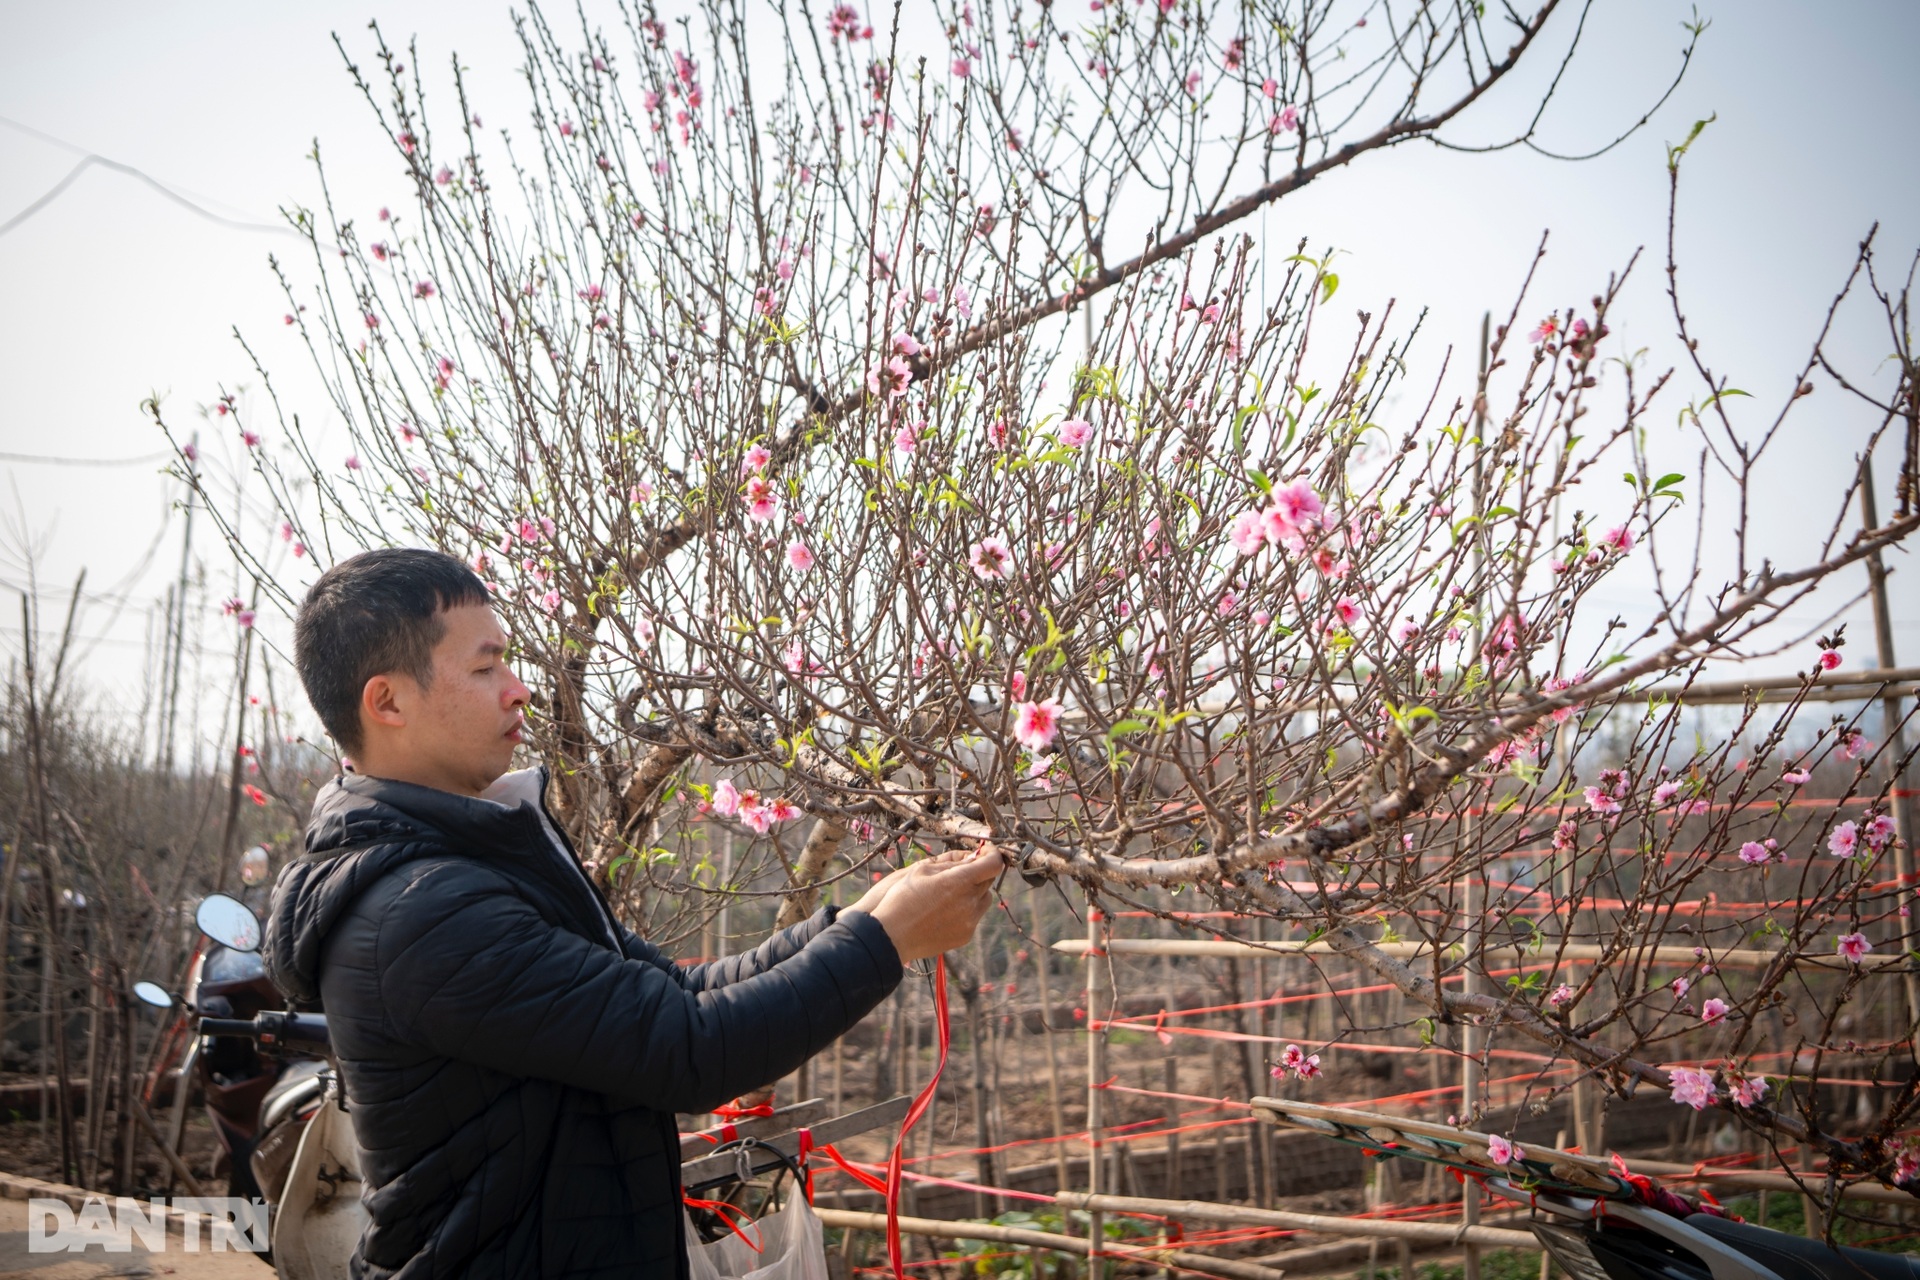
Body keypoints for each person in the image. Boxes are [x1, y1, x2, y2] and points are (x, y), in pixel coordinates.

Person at [260, 548, 1002, 1279]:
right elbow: (689, 1048)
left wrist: (860, 919)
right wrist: (886, 940)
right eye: (485, 668)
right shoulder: (419, 915)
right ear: (387, 702)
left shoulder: (473, 865)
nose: (518, 691)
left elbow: (677, 994)